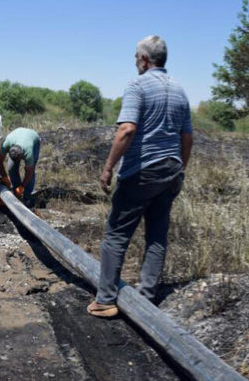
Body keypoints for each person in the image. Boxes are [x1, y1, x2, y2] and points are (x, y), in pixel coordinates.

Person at [87, 35, 193, 318]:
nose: (135, 63)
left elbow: (127, 130)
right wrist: (180, 169)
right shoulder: (181, 90)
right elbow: (187, 137)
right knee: (157, 235)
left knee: (116, 235)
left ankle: (106, 299)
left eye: (136, 58)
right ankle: (147, 298)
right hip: (171, 170)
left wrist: (108, 167)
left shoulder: (137, 85)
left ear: (145, 60)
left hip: (142, 171)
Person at [0, 127, 40, 206]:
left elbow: (29, 172)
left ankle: (27, 197)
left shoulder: (28, 151)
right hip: (17, 135)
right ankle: (16, 192)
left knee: (31, 172)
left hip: (33, 137)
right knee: (11, 168)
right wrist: (4, 176)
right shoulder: (6, 143)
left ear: (22, 155)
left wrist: (22, 186)